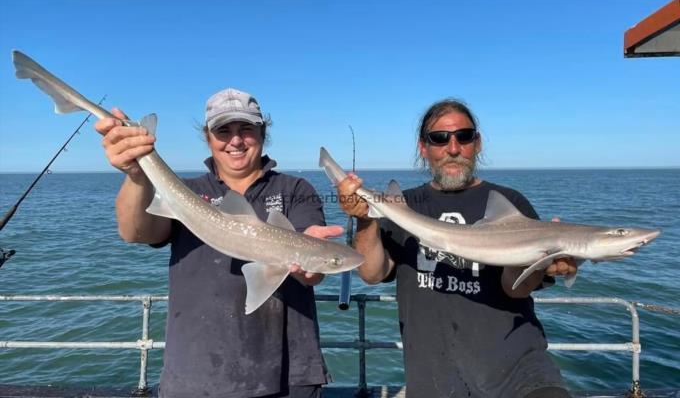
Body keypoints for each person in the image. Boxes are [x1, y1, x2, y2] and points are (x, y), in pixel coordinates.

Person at [95, 88, 337, 398]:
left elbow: (312, 273)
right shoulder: (187, 191)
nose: (236, 140)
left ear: (263, 133)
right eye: (224, 130)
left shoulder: (295, 189)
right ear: (208, 138)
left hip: (288, 373)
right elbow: (137, 232)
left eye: (246, 129)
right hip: (197, 373)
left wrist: (312, 260)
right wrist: (135, 174)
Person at [337, 99, 577, 398]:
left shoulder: (508, 201)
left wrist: (540, 258)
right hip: (434, 375)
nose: (453, 148)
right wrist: (365, 218)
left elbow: (516, 289)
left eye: (463, 136)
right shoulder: (403, 206)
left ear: (477, 143)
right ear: (423, 147)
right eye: (439, 139)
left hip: (519, 371)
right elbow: (372, 274)